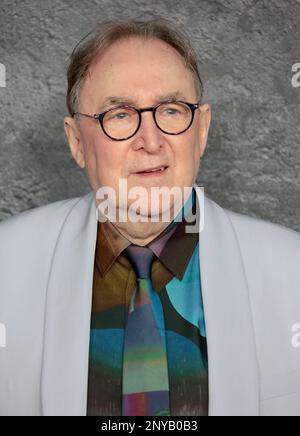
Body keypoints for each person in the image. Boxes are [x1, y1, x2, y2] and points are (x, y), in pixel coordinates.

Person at [0, 18, 299, 417]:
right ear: (76, 143)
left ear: (203, 129)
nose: (151, 141)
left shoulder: (292, 269)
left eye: (172, 110)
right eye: (120, 115)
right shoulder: (6, 264)